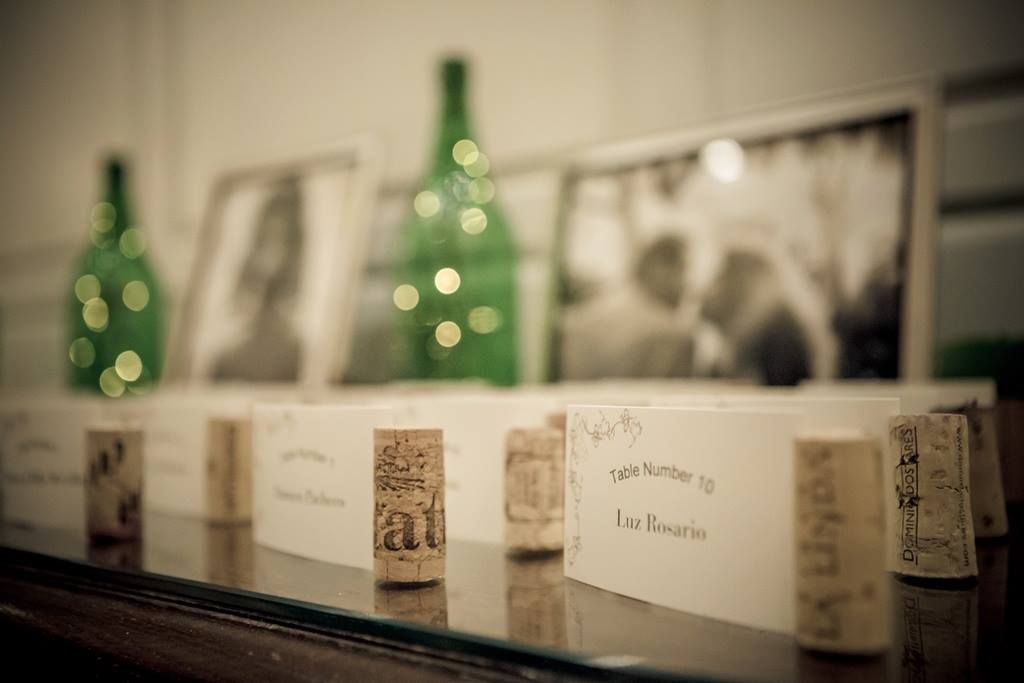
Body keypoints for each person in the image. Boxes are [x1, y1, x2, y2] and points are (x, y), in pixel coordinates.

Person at [561, 234, 694, 379]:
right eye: (683, 269)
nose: (687, 282)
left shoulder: (606, 303)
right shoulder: (667, 331)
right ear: (659, 268)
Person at [213, 177, 304, 381]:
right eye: (265, 239)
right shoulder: (229, 344)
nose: (270, 254)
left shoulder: (296, 347)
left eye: (280, 240)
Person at [699, 250, 811, 386]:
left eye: (725, 276)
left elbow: (778, 383)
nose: (720, 283)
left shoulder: (779, 324)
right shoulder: (752, 320)